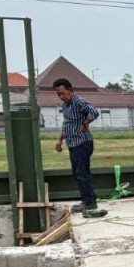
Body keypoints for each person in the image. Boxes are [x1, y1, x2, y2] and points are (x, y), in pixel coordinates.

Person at [52, 78, 106, 218]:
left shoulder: (78, 101)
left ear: (71, 90)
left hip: (82, 143)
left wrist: (85, 124)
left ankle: (90, 203)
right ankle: (86, 200)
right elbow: (67, 124)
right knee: (77, 174)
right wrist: (60, 139)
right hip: (72, 143)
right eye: (59, 94)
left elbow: (93, 112)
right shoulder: (65, 106)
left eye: (63, 93)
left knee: (82, 173)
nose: (62, 97)